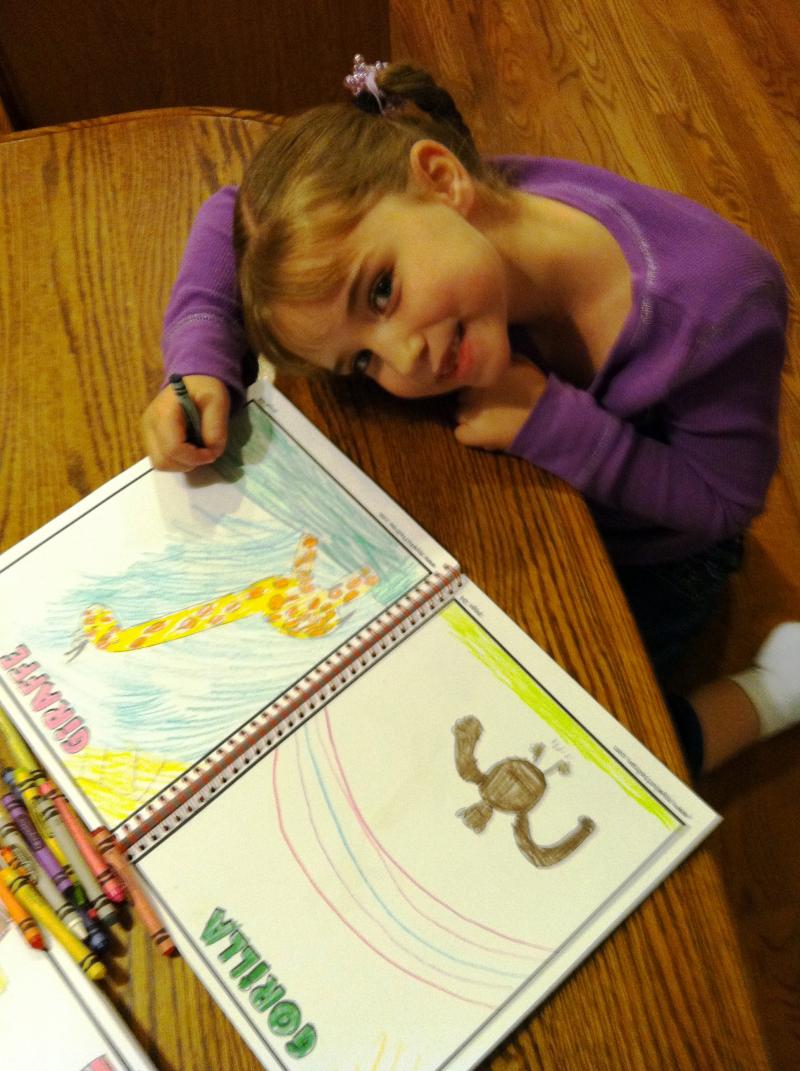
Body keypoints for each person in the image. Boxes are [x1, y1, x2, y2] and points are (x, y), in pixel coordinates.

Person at [141, 56, 799, 777]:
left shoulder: (718, 306)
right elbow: (232, 212)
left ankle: (769, 691)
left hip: (657, 556)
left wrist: (556, 426)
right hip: (529, 505)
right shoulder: (440, 229)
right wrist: (199, 358)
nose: (403, 357)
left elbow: (724, 502)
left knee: (572, 762)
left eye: (381, 291)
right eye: (362, 362)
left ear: (443, 178)